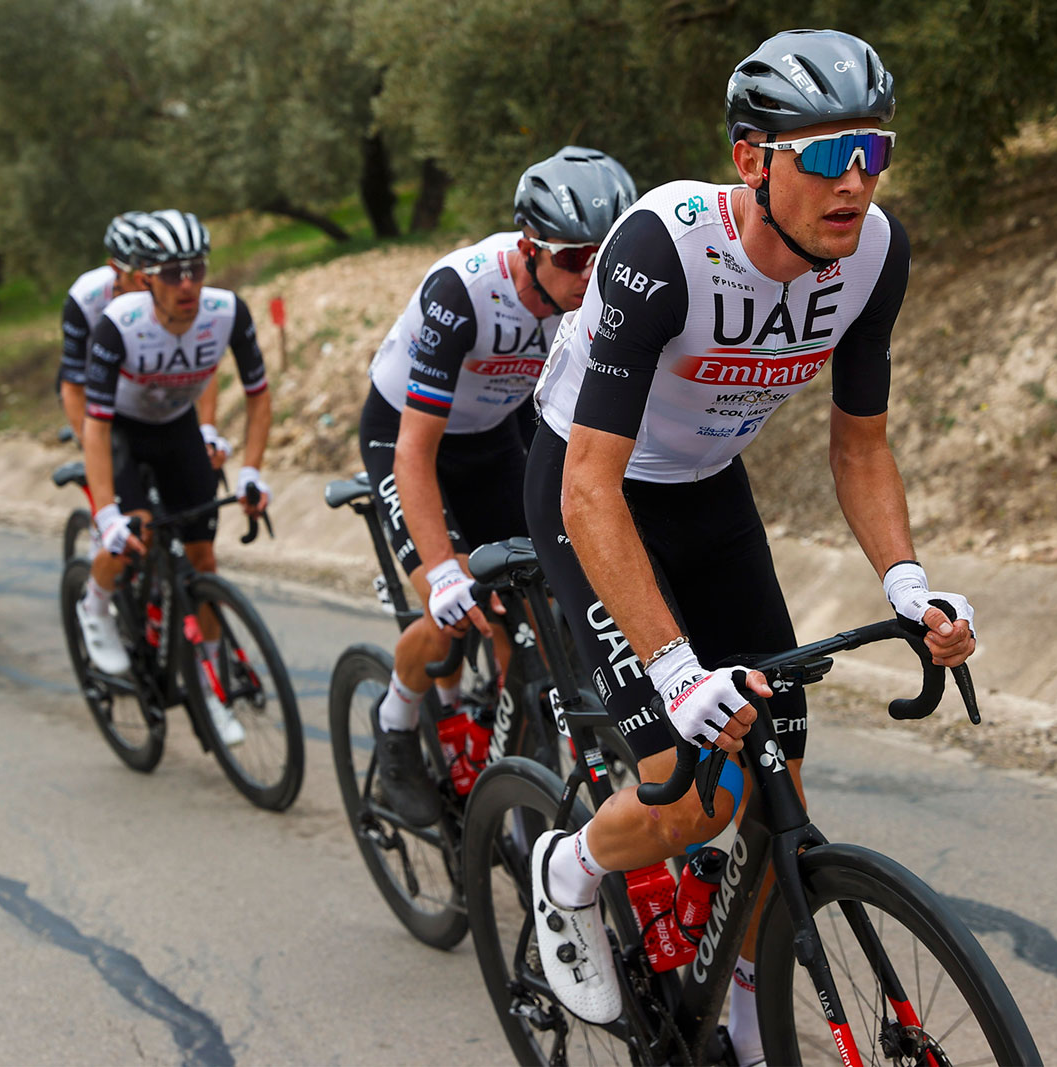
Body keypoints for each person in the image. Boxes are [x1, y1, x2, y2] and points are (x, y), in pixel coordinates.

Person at [521, 30, 978, 1056]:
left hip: (707, 493)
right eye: (822, 155)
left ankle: (742, 992)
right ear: (749, 159)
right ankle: (569, 869)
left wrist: (908, 583)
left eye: (873, 151)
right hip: (587, 491)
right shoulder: (662, 247)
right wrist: (678, 670)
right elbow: (590, 480)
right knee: (688, 796)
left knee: (779, 794)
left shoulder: (873, 255)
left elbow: (859, 446)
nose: (853, 182)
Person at [359, 147, 635, 827]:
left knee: (535, 616)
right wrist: (445, 571)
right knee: (451, 612)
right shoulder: (463, 291)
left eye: (607, 257)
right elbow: (414, 452)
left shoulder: (603, 298)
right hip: (409, 438)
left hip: (494, 439)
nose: (591, 275)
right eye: (574, 259)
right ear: (528, 247)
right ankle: (396, 722)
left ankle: (512, 795)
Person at [74, 209, 272, 747]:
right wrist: (106, 512)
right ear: (145, 279)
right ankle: (94, 600)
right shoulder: (119, 323)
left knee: (203, 559)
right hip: (122, 432)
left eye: (196, 270)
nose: (187, 285)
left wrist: (251, 468)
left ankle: (211, 690)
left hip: (177, 428)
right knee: (132, 530)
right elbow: (94, 425)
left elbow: (258, 395)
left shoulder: (226, 311)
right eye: (171, 273)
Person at [57, 212, 153, 437]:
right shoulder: (85, 297)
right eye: (137, 272)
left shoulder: (168, 294)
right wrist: (88, 445)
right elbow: (72, 384)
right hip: (93, 378)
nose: (147, 281)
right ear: (115, 267)